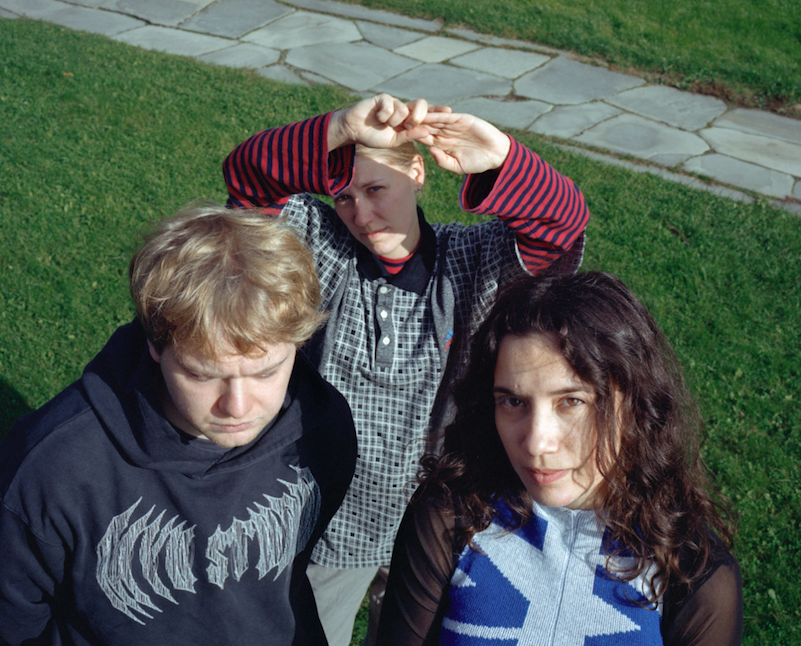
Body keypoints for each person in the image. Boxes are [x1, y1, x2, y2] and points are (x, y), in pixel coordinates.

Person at [223, 93, 590, 645]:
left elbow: (561, 229)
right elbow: (248, 183)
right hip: (329, 524)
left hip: (439, 528)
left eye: (376, 190)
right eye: (344, 197)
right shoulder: (320, 246)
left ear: (416, 172)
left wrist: (503, 158)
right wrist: (336, 128)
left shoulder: (473, 260)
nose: (361, 214)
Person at [0, 204, 357, 645]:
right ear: (155, 344)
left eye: (266, 372)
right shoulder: (50, 470)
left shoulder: (321, 425)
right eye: (203, 375)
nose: (238, 406)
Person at [376, 271, 743, 646]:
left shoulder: (694, 575)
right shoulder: (448, 517)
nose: (537, 443)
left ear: (633, 401)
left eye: (571, 402)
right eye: (513, 401)